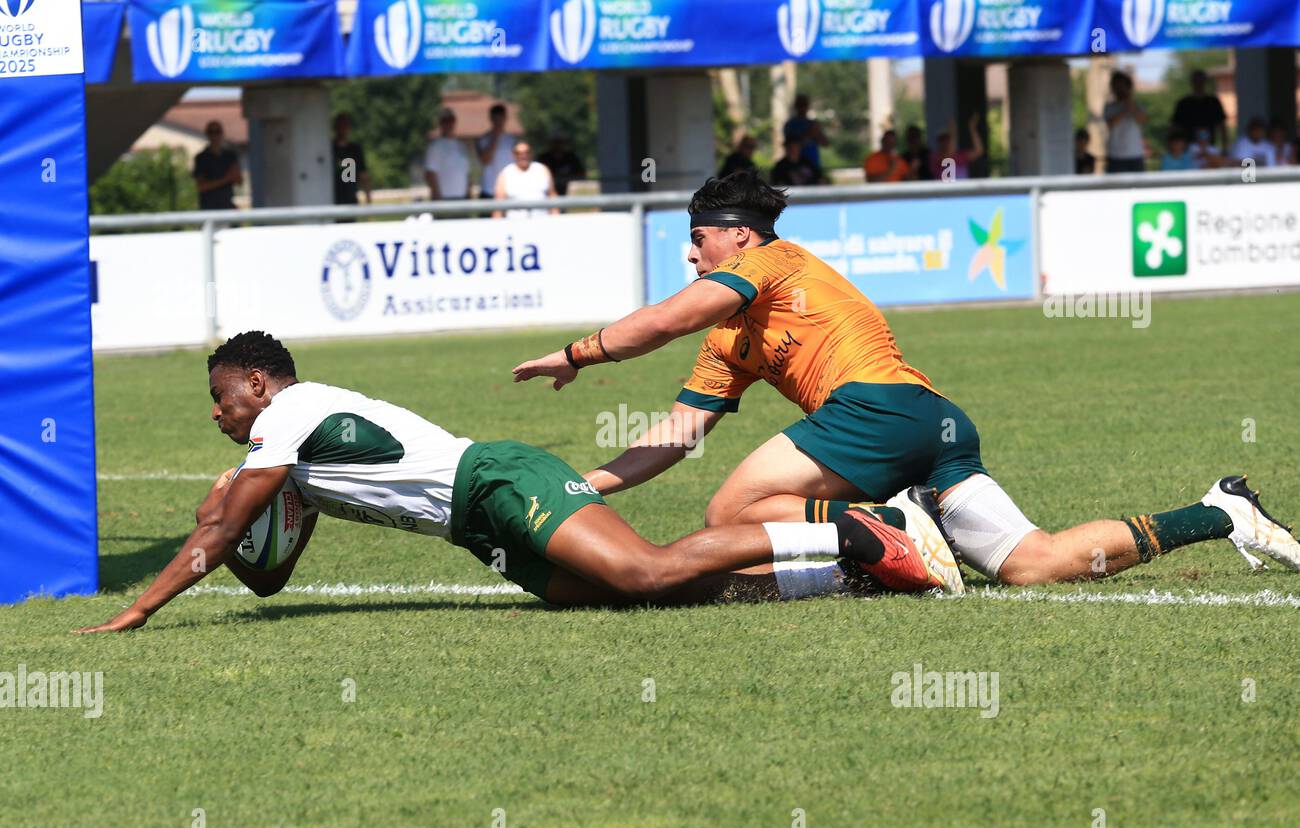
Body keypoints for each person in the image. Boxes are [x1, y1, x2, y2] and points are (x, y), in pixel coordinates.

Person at [511, 170, 1300, 587]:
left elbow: (662, 320)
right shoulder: (728, 343)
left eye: (699, 239)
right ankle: (1219, 512)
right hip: (933, 425)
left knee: (731, 511)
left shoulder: (772, 261)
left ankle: (888, 528)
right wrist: (582, 489)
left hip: (880, 412)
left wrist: (578, 354)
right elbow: (674, 437)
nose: (691, 253)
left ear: (739, 237)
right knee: (1037, 564)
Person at [75, 332, 951, 634]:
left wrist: (142, 607)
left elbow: (223, 537)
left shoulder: (291, 413)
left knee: (644, 570)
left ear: (260, 386)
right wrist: (230, 524)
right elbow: (263, 571)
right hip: (475, 527)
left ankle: (849, 529)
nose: (219, 415)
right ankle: (840, 574)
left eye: (223, 400)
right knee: (630, 599)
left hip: (495, 478)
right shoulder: (289, 457)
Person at [493, 141, 558, 218]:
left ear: (531, 153)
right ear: (513, 155)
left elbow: (552, 195)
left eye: (526, 152)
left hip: (542, 221)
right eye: (518, 153)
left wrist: (555, 219)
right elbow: (499, 203)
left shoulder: (542, 169)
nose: (523, 156)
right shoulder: (505, 173)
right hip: (515, 224)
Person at [1171, 69, 1227, 153]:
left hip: (1209, 147)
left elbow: (1222, 126)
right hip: (1187, 148)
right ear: (1192, 83)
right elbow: (1175, 127)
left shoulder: (1213, 102)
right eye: (1196, 81)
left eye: (1200, 81)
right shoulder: (1183, 103)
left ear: (1205, 82)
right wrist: (1174, 148)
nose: (1198, 84)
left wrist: (1224, 147)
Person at [193, 121, 242, 211]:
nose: (215, 135)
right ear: (207, 134)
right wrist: (226, 178)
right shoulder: (201, 158)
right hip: (209, 207)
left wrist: (231, 177)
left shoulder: (230, 156)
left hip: (227, 205)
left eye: (217, 132)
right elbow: (201, 187)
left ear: (222, 133)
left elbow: (239, 181)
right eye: (211, 132)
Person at [1103, 72, 1147, 173]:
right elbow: (1110, 124)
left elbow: (1143, 120)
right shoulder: (1109, 107)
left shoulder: (1138, 106)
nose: (1119, 89)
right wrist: (1124, 110)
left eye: (1122, 86)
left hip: (1136, 155)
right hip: (1115, 155)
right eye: (1117, 86)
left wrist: (1131, 105)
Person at [424, 108, 471, 201]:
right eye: (445, 121)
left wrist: (469, 191)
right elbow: (430, 173)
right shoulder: (435, 146)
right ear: (441, 123)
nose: (448, 124)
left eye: (451, 120)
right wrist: (437, 195)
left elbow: (466, 173)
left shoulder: (461, 146)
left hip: (461, 197)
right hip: (443, 197)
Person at [476, 103, 517, 200]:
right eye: (496, 118)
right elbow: (485, 160)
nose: (498, 121)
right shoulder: (482, 140)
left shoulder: (512, 140)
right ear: (491, 118)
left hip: (509, 190)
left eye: (501, 118)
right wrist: (495, 136)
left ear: (505, 118)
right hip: (488, 190)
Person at [331, 113, 371, 206]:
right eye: (340, 125)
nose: (343, 128)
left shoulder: (355, 149)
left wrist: (368, 202)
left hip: (350, 200)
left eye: (345, 125)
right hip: (331, 200)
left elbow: (364, 176)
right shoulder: (328, 149)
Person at [782, 93, 830, 171]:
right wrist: (809, 133)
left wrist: (818, 133)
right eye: (800, 105)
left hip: (813, 164)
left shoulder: (813, 124)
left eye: (805, 105)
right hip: (796, 166)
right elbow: (791, 145)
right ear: (796, 106)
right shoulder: (790, 125)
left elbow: (826, 144)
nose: (803, 108)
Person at [928, 114, 984, 181]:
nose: (945, 142)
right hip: (944, 190)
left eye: (947, 138)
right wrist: (953, 133)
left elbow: (979, 151)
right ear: (938, 141)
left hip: (962, 190)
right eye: (942, 139)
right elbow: (949, 158)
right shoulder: (935, 157)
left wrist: (973, 129)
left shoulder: (960, 155)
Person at [536, 131, 586, 196]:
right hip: (548, 194)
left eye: (560, 142)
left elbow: (581, 175)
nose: (557, 145)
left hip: (570, 193)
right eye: (555, 142)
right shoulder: (544, 158)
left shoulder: (572, 158)